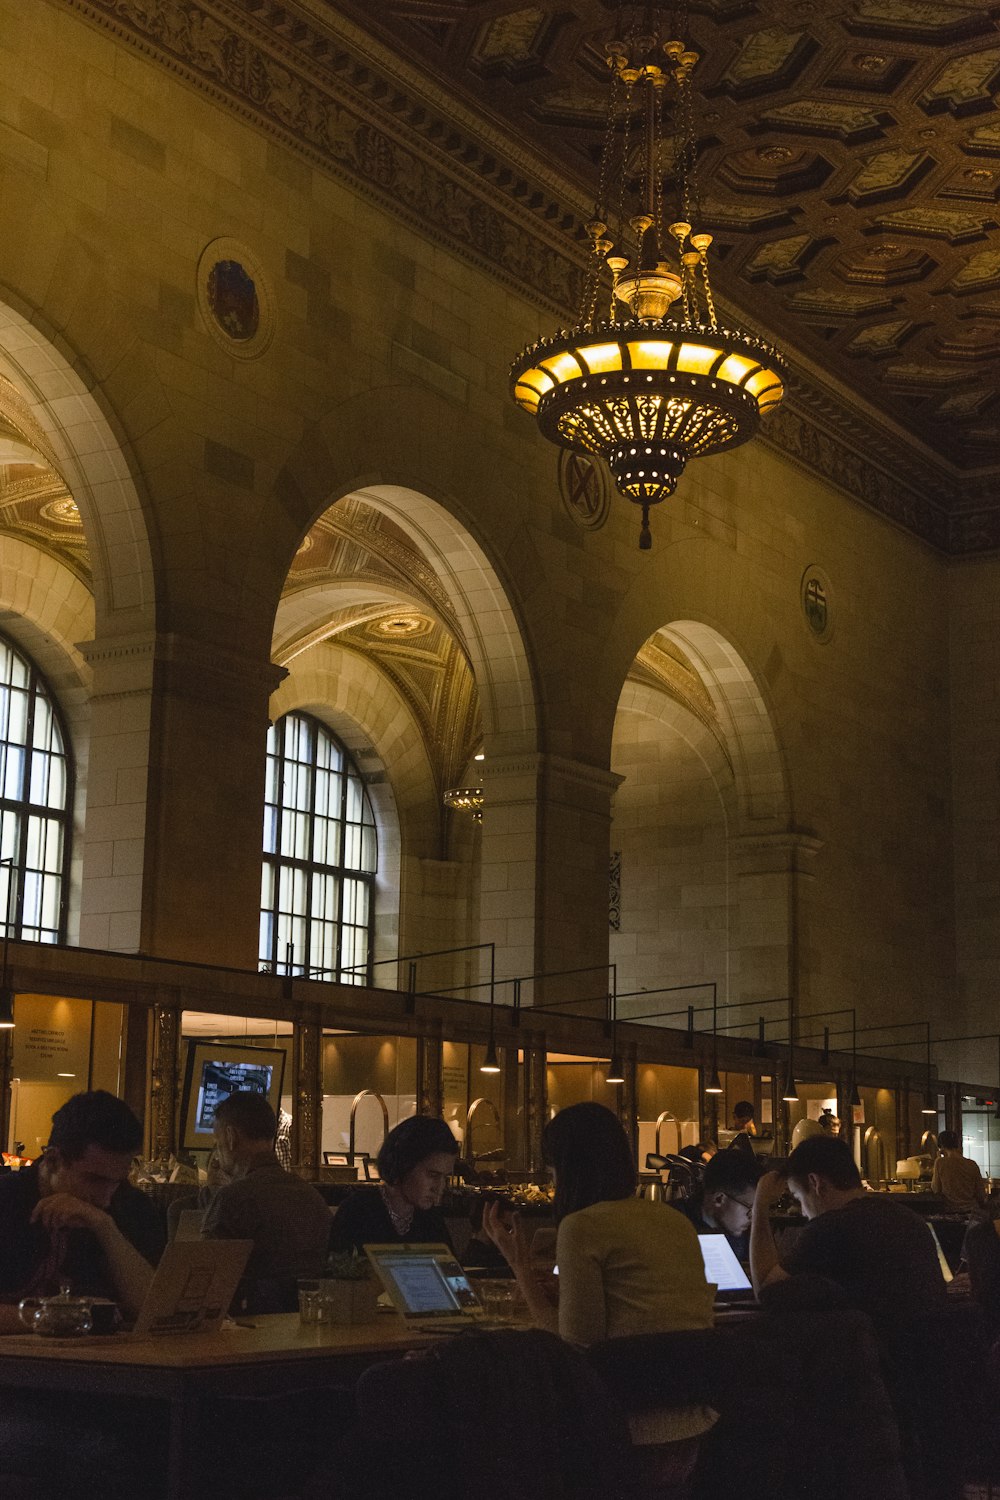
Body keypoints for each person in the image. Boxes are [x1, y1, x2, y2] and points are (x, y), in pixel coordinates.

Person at [484, 1102, 715, 1485]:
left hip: (624, 1428)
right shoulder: (674, 1220)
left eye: (553, 1168)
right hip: (692, 1423)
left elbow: (574, 1345)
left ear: (566, 1168)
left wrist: (520, 1267)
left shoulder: (581, 1227)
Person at [750, 1135, 947, 1338]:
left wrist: (759, 1206)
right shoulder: (911, 1219)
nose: (802, 1211)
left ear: (815, 1182)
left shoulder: (829, 1227)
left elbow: (766, 1292)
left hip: (871, 1362)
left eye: (798, 1197)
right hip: (925, 1360)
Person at [0, 1089, 163, 1333]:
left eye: (117, 1180)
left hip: (111, 1365)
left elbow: (155, 1311)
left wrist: (105, 1227)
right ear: (53, 1161)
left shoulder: (132, 1206)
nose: (105, 1197)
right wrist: (54, 1319)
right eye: (94, 1180)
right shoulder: (7, 1199)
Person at [201, 1090, 330, 1312]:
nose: (218, 1151)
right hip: (307, 1327)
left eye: (217, 1140)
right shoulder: (312, 1197)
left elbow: (206, 1282)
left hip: (250, 1332)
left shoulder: (233, 1199)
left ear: (231, 1137)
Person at [329, 1113, 457, 1253]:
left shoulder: (431, 1220)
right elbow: (339, 1269)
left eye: (445, 1178)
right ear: (404, 1164)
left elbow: (450, 1271)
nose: (439, 1187)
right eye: (432, 1175)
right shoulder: (358, 1211)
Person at [675, 1148, 761, 1261]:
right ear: (719, 1199)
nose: (753, 1216)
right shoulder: (673, 1227)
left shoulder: (744, 1234)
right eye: (749, 1207)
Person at [931, 1129, 986, 1211]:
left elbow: (936, 1189)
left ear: (941, 1146)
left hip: (951, 1211)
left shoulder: (940, 1162)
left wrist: (939, 1158)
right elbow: (981, 1194)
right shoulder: (972, 1164)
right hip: (971, 1212)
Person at [462, 1194, 515, 1271]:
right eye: (507, 1228)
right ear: (488, 1223)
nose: (510, 1234)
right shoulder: (486, 1262)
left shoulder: (470, 1255)